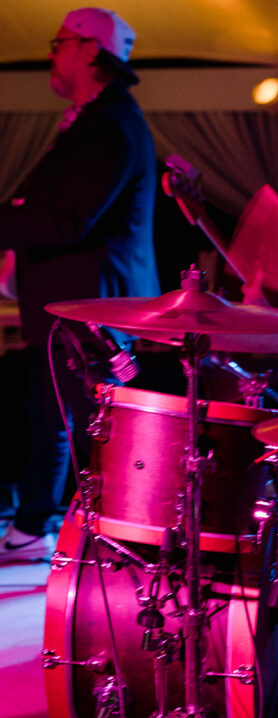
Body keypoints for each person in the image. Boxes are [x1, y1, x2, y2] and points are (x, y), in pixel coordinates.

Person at [0, 7, 159, 562]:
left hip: (92, 302)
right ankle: (33, 526)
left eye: (59, 42)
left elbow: (67, 219)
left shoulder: (110, 123)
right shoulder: (97, 119)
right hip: (74, 299)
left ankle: (81, 536)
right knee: (53, 413)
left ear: (90, 50)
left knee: (79, 422)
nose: (51, 52)